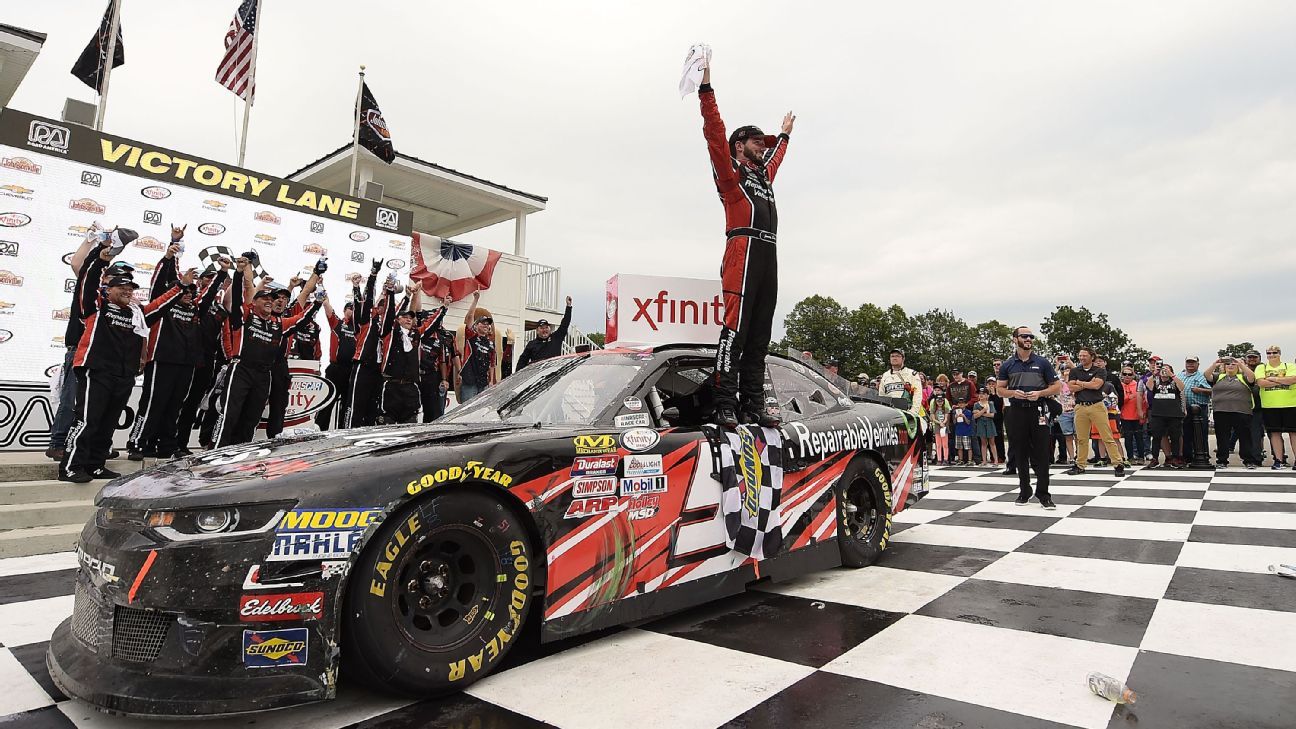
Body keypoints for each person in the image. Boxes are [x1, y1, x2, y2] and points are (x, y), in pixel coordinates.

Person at [697, 58, 794, 428]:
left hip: (768, 253)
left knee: (759, 337)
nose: (763, 147)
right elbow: (714, 133)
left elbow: (778, 158)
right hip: (743, 251)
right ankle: (724, 404)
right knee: (735, 331)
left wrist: (784, 136)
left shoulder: (763, 176)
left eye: (765, 144)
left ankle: (753, 405)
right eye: (758, 142)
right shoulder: (731, 173)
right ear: (740, 146)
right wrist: (707, 89)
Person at [61, 251, 190, 482]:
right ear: (107, 289)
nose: (127, 291)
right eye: (121, 286)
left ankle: (96, 464)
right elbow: (87, 283)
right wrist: (100, 259)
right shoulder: (96, 306)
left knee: (108, 422)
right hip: (96, 371)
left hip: (124, 375)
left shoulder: (137, 314)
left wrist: (181, 286)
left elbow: (160, 306)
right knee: (87, 420)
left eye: (130, 288)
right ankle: (71, 466)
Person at [213, 259, 321, 447]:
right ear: (254, 302)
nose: (270, 302)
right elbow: (239, 295)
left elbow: (300, 320)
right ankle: (215, 451)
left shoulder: (278, 323)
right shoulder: (245, 316)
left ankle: (241, 453)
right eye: (266, 299)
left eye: (272, 300)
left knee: (252, 417)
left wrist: (318, 303)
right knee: (230, 414)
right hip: (241, 370)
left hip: (264, 375)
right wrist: (239, 272)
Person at [997, 327, 1062, 509]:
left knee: (1041, 453)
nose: (1028, 339)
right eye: (1024, 336)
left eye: (1031, 336)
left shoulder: (1042, 363)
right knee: (1020, 452)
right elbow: (999, 389)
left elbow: (1057, 387)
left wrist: (1040, 393)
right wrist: (1013, 393)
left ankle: (1044, 494)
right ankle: (1024, 491)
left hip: (1038, 410)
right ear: (1015, 339)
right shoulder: (1007, 365)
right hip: (1016, 411)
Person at [1066, 347, 1128, 476]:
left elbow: (1097, 386)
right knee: (1081, 438)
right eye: (1080, 355)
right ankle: (1080, 464)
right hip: (1080, 406)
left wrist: (1080, 383)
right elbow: (1071, 387)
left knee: (1107, 436)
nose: (1082, 358)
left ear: (1091, 357)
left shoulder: (1100, 371)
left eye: (1085, 355)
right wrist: (1087, 383)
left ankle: (1117, 463)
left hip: (1097, 405)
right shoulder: (1075, 371)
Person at [345, 263, 385, 428]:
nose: (381, 308)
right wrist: (373, 275)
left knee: (372, 408)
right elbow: (366, 299)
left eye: (383, 306)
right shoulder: (364, 320)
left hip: (377, 369)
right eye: (379, 305)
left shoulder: (385, 324)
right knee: (355, 406)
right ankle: (347, 436)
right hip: (362, 365)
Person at [1206, 356, 1259, 469]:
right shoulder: (1218, 377)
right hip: (1221, 411)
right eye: (1228, 364)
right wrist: (1214, 364)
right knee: (1222, 437)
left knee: (1245, 437)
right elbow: (1207, 375)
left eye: (1233, 364)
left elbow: (1252, 377)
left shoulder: (1243, 377)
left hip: (1242, 411)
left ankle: (1248, 460)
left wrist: (1241, 364)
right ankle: (1222, 460)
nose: (1230, 366)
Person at [317, 292, 356, 430]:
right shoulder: (337, 323)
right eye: (350, 308)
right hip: (335, 369)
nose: (352, 311)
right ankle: (320, 430)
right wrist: (322, 288)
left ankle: (343, 431)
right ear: (344, 311)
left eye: (354, 309)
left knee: (347, 405)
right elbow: (326, 304)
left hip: (351, 371)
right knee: (327, 402)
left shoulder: (360, 328)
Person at [1255, 345, 1296, 470]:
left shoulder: (1289, 366)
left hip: (1291, 404)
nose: (1272, 355)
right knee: (1274, 433)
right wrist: (1283, 380)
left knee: (1293, 433)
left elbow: (1293, 379)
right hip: (1270, 405)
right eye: (1269, 353)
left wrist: (1273, 379)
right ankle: (1278, 460)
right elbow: (1261, 383)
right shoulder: (1261, 367)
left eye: (1275, 352)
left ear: (1280, 353)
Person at [1145, 363, 1186, 468]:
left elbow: (1182, 387)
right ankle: (1155, 459)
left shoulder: (1174, 382)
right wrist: (1154, 373)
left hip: (1174, 414)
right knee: (1157, 437)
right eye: (1162, 369)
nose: (1164, 372)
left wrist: (1171, 375)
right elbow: (1148, 386)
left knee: (1175, 437)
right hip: (1158, 413)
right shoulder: (1156, 381)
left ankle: (1175, 458)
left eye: (1166, 369)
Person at [419, 306, 455, 422]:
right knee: (411, 409)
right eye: (429, 319)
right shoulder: (417, 334)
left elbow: (443, 360)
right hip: (415, 377)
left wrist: (444, 379)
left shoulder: (441, 338)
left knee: (432, 411)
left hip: (431, 376)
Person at [516, 296, 573, 370]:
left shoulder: (556, 338)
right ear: (537, 330)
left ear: (549, 328)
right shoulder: (531, 344)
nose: (544, 330)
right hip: (538, 377)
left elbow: (564, 324)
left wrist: (568, 306)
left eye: (546, 327)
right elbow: (522, 362)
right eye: (542, 328)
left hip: (555, 376)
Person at [459, 291, 496, 403]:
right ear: (476, 325)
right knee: (466, 412)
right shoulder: (471, 337)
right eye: (483, 323)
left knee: (480, 413)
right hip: (469, 382)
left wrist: (491, 382)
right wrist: (476, 299)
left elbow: (492, 363)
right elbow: (470, 316)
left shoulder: (491, 343)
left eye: (487, 323)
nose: (486, 325)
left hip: (483, 383)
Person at [1178, 356, 1212, 464]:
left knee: (1201, 433)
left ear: (1198, 364)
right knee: (1186, 433)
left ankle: (1203, 455)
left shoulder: (1202, 375)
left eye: (1193, 362)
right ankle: (1187, 457)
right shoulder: (1180, 375)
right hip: (1184, 408)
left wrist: (1199, 390)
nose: (1190, 364)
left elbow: (1211, 390)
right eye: (1188, 362)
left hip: (1199, 408)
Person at [877, 348, 922, 417]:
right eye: (892, 356)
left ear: (903, 359)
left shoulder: (912, 374)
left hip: (907, 413)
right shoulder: (885, 375)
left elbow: (917, 395)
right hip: (890, 414)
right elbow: (882, 396)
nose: (894, 358)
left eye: (897, 356)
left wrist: (913, 413)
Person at [1117, 365, 1147, 463]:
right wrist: (1130, 397)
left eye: (1129, 374)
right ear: (1121, 375)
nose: (1127, 376)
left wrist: (1143, 413)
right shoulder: (1119, 386)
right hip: (1125, 416)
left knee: (1139, 437)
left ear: (1133, 375)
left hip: (1137, 415)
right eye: (1124, 374)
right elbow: (1118, 401)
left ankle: (1141, 457)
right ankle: (1130, 457)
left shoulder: (1138, 385)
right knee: (1128, 438)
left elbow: (1143, 400)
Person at [1243, 349, 1267, 463]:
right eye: (1250, 357)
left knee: (1271, 433)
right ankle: (1254, 457)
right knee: (1252, 434)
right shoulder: (1241, 371)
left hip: (1266, 405)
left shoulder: (1265, 370)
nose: (1252, 359)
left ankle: (1280, 457)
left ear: (1260, 359)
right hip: (1248, 407)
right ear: (1246, 359)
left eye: (1254, 357)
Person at [973, 387, 999, 465]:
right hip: (981, 424)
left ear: (987, 395)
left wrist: (981, 413)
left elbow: (992, 415)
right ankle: (984, 460)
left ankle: (996, 460)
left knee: (992, 442)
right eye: (980, 394)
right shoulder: (976, 404)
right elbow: (975, 416)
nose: (981, 395)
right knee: (983, 443)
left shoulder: (990, 403)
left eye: (983, 394)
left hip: (989, 423)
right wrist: (983, 411)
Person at [927, 386, 951, 465]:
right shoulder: (934, 409)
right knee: (938, 444)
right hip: (937, 427)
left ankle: (946, 459)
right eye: (938, 401)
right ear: (936, 401)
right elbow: (933, 418)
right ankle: (939, 459)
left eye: (941, 401)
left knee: (945, 444)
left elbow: (947, 417)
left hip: (944, 427)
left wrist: (943, 422)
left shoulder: (945, 409)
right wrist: (939, 422)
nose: (940, 402)